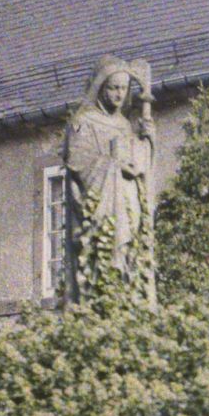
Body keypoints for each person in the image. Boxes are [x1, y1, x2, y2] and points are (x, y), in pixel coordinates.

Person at [62, 56, 157, 301]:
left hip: (125, 201)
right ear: (102, 88)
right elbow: (76, 162)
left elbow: (141, 168)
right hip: (101, 203)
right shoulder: (82, 122)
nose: (118, 95)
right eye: (113, 88)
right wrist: (113, 162)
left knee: (128, 252)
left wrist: (148, 140)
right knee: (105, 251)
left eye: (123, 89)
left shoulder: (125, 125)